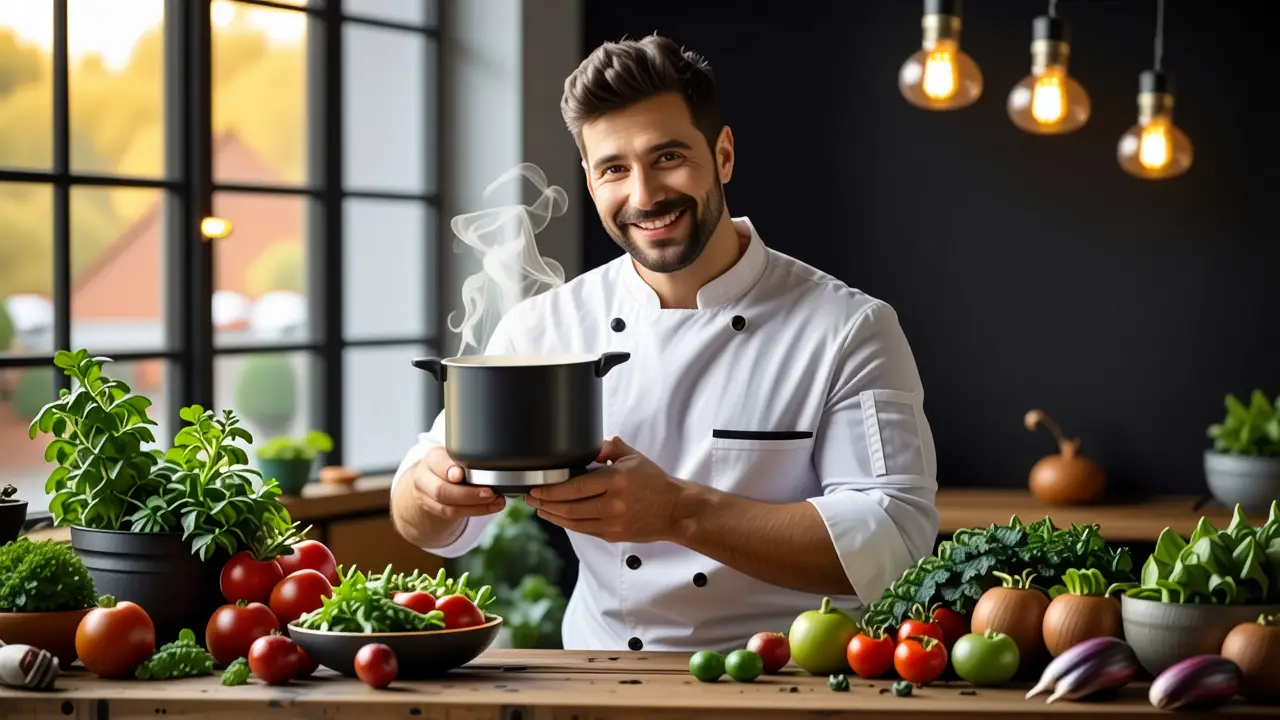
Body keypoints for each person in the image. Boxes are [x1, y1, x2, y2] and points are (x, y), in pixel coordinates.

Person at [390, 34, 940, 653]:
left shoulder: (848, 327)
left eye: (669, 156)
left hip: (791, 680)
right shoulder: (544, 327)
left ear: (723, 155)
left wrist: (678, 512)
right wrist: (433, 491)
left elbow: (896, 540)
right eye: (614, 169)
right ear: (592, 181)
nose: (645, 195)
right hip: (599, 679)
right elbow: (430, 522)